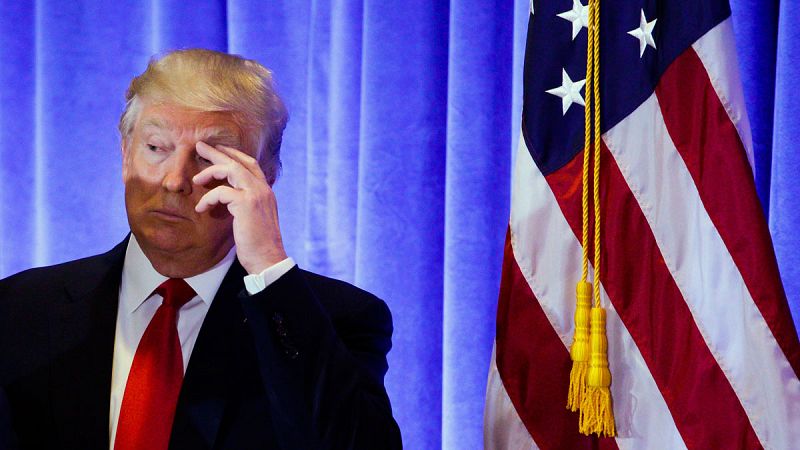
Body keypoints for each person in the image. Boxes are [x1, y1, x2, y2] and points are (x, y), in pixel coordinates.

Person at [0, 49, 402, 450]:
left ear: (263, 179)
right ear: (125, 155)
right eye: (156, 147)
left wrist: (268, 264)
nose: (175, 181)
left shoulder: (335, 320)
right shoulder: (19, 308)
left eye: (209, 158)